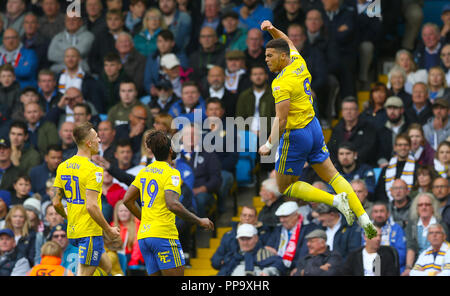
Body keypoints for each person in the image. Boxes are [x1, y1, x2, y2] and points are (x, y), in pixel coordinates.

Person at [257, 20, 376, 238]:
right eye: (265, 56)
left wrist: (268, 144)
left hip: (296, 136)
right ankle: (365, 220)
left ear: (282, 57)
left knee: (285, 188)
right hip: (314, 127)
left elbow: (281, 120)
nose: (266, 60)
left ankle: (334, 200)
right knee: (334, 176)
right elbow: (287, 41)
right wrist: (272, 29)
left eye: (270, 56)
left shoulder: (280, 84)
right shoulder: (297, 61)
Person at [123, 129, 214, 276]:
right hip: (163, 235)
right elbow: (173, 204)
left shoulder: (145, 171)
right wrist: (199, 221)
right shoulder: (172, 173)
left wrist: (145, 219)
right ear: (171, 150)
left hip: (145, 236)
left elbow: (127, 200)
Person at [52, 121, 121, 276]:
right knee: (84, 274)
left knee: (107, 267)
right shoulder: (94, 170)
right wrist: (108, 229)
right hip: (89, 232)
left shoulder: (63, 166)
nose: (99, 140)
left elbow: (56, 203)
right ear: (89, 143)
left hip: (74, 231)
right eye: (96, 137)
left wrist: (67, 216)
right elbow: (91, 206)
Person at [211, 205, 270, 272]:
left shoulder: (265, 233)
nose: (247, 218)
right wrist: (225, 260)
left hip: (256, 268)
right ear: (240, 217)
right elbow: (216, 260)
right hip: (229, 270)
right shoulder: (229, 235)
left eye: (250, 216)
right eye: (244, 215)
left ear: (256, 218)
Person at [264, 201, 319, 273]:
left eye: (285, 216)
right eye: (280, 217)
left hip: (295, 267)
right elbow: (268, 247)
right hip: (276, 264)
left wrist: (298, 267)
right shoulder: (278, 229)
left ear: (296, 215)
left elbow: (305, 254)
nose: (281, 220)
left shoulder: (308, 229)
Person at [218, 223, 286, 276]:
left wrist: (268, 272)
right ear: (238, 240)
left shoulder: (265, 254)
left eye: (248, 238)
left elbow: (279, 264)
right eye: (242, 239)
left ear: (256, 238)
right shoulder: (231, 256)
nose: (245, 242)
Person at [403, 192, 444, 276]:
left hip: (438, 264)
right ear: (417, 208)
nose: (424, 207)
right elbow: (411, 247)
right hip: (418, 265)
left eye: (427, 204)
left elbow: (444, 249)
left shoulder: (441, 224)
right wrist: (409, 268)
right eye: (420, 205)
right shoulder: (412, 225)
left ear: (433, 207)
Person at [235, 64, 276, 137]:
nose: (258, 77)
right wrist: (248, 132)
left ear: (266, 76)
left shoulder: (274, 94)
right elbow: (239, 118)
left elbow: (277, 117)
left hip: (270, 135)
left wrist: (266, 132)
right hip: (248, 134)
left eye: (261, 74)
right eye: (255, 74)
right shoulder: (244, 95)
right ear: (251, 77)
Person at [374, 134, 417, 203]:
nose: (403, 147)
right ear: (395, 147)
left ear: (410, 147)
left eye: (406, 145)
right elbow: (380, 190)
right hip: (388, 206)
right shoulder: (386, 169)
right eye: (400, 145)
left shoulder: (417, 168)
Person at [370, 201, 407, 273]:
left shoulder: (396, 228)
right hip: (369, 267)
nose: (379, 215)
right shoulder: (365, 229)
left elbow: (401, 255)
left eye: (382, 211)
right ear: (372, 214)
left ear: (388, 214)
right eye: (376, 212)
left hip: (391, 268)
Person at [88, 9, 126, 77]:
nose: (113, 22)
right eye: (110, 19)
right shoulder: (100, 37)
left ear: (122, 22)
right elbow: (92, 59)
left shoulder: (129, 37)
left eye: (116, 19)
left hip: (124, 75)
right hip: (103, 75)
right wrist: (104, 72)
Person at [375, 96, 410, 168]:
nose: (392, 111)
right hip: (386, 166)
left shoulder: (409, 128)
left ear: (402, 110)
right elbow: (377, 151)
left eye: (395, 108)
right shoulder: (380, 130)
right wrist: (383, 162)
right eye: (389, 108)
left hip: (408, 164)